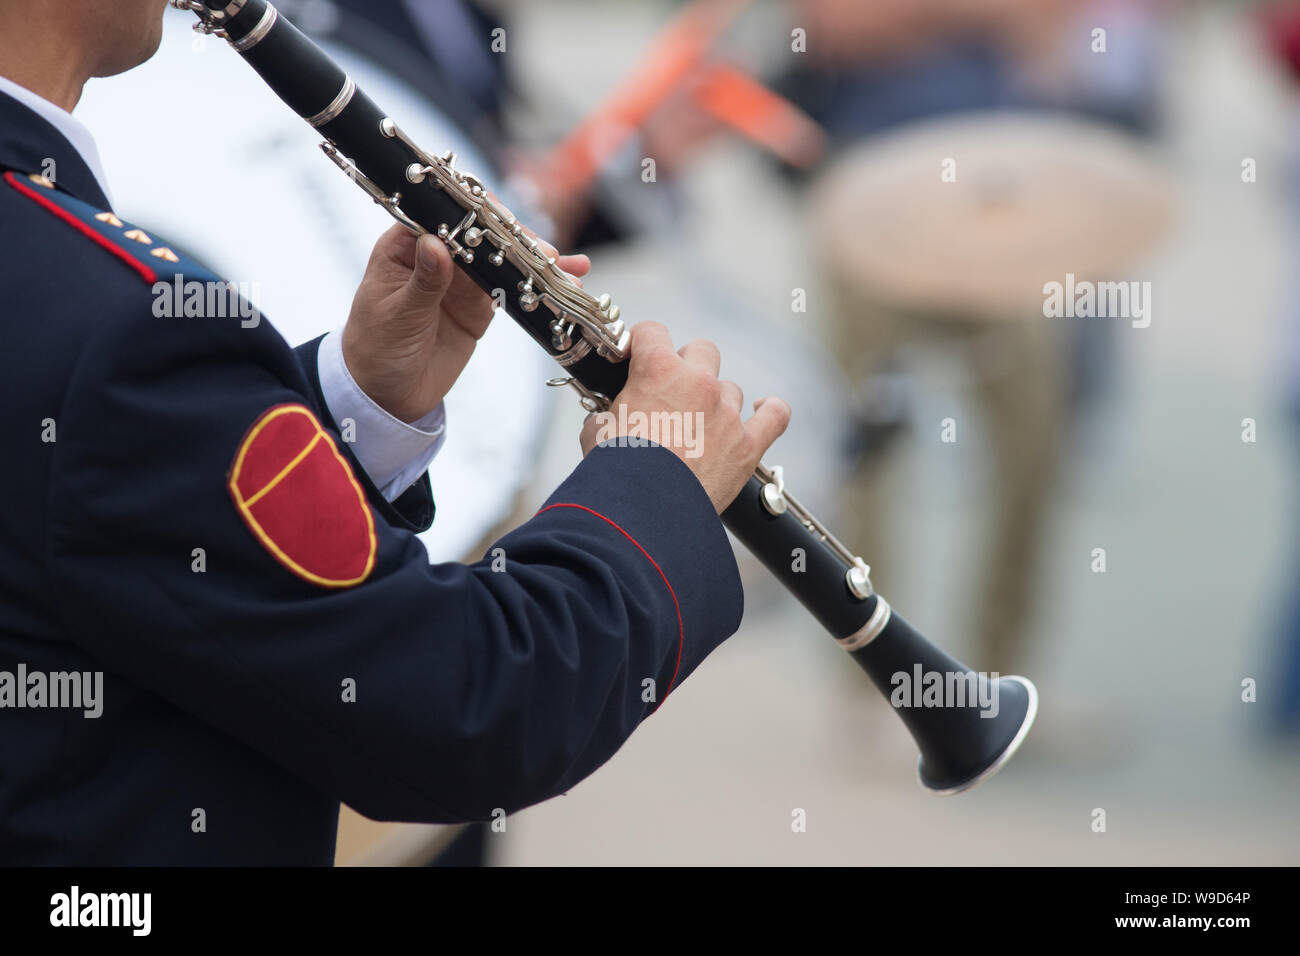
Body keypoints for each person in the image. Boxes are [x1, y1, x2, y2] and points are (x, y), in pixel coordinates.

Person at [0, 0, 790, 864]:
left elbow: (115, 528)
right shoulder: (122, 330)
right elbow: (468, 701)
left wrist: (352, 407)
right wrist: (655, 483)